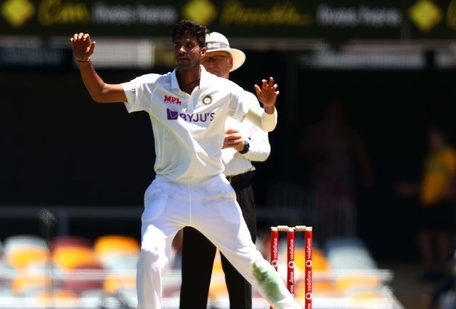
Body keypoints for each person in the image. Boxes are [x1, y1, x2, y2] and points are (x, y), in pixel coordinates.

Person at [70, 19, 301, 309]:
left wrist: (269, 106)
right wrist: (83, 62)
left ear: (200, 51)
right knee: (150, 256)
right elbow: (101, 92)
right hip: (169, 191)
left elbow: (268, 123)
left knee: (252, 263)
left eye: (189, 45)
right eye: (177, 45)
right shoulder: (154, 86)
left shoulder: (225, 91)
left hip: (213, 191)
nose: (182, 50)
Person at [179, 32, 270, 309]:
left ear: (230, 63)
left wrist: (244, 145)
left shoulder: (246, 99)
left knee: (241, 274)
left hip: (239, 189)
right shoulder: (187, 101)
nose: (212, 65)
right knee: (195, 274)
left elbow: (264, 151)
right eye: (206, 60)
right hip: (202, 189)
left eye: (218, 59)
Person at [299, 97, 373, 243]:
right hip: (323, 181)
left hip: (343, 181)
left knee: (346, 213)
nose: (335, 114)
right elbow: (303, 150)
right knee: (322, 214)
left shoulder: (347, 132)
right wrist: (318, 160)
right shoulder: (318, 130)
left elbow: (361, 153)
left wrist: (367, 174)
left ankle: (347, 244)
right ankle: (322, 244)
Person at [396, 124, 456, 283]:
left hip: (443, 201)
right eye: (430, 138)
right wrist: (409, 189)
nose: (432, 140)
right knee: (424, 236)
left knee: (442, 237)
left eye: (435, 137)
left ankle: (442, 272)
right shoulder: (430, 157)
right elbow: (427, 182)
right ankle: (430, 270)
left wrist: (448, 191)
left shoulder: (449, 154)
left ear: (442, 137)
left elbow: (453, 175)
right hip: (427, 202)